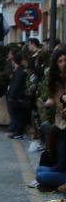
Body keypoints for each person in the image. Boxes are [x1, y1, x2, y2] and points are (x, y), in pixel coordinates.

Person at [37, 48, 66, 190]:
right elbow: (52, 98)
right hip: (60, 126)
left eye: (65, 60)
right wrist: (48, 103)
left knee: (42, 175)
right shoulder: (54, 81)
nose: (63, 64)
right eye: (60, 61)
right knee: (41, 171)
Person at [7, 53, 27, 139]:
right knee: (17, 115)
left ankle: (18, 132)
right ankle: (17, 132)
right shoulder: (19, 71)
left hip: (16, 98)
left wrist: (11, 96)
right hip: (16, 97)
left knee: (17, 115)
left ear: (14, 61)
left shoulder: (19, 72)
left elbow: (16, 85)